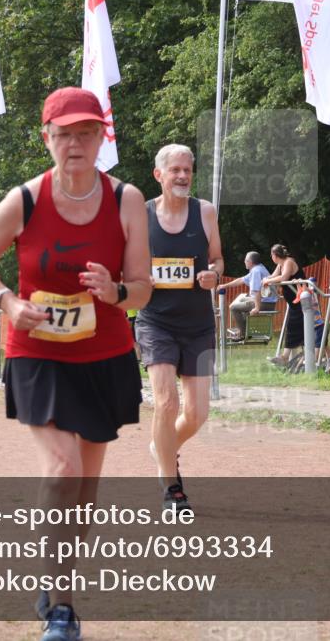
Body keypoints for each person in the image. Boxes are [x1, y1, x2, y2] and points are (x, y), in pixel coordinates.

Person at [0, 87, 151, 641]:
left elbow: (142, 288)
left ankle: (55, 584)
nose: (75, 143)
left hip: (104, 355)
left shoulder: (127, 200)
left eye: (86, 133)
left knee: (85, 491)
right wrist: (8, 302)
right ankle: (61, 609)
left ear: (101, 138)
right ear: (46, 138)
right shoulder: (25, 199)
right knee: (63, 469)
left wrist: (116, 291)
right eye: (64, 134)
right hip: (38, 354)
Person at [134, 143, 223, 513]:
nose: (183, 176)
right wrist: (141, 278)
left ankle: (162, 448)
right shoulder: (140, 216)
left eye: (187, 169)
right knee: (167, 402)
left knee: (198, 413)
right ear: (159, 175)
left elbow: (217, 259)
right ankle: (172, 488)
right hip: (156, 322)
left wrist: (213, 275)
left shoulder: (205, 212)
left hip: (198, 324)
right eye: (176, 170)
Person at [261, 244, 306, 366]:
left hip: (302, 302)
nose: (271, 257)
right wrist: (265, 279)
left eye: (271, 255)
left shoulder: (289, 262)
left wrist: (268, 281)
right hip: (294, 303)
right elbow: (273, 276)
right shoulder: (280, 264)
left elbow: (284, 277)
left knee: (299, 328)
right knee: (293, 328)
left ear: (275, 255)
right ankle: (286, 357)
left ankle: (289, 357)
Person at [220, 250, 278, 340]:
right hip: (266, 301)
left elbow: (256, 291)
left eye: (245, 260)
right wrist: (224, 286)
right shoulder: (259, 268)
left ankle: (243, 334)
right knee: (241, 299)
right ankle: (244, 328)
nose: (244, 262)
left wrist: (257, 308)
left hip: (264, 303)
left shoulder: (256, 271)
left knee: (233, 307)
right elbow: (241, 280)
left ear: (250, 262)